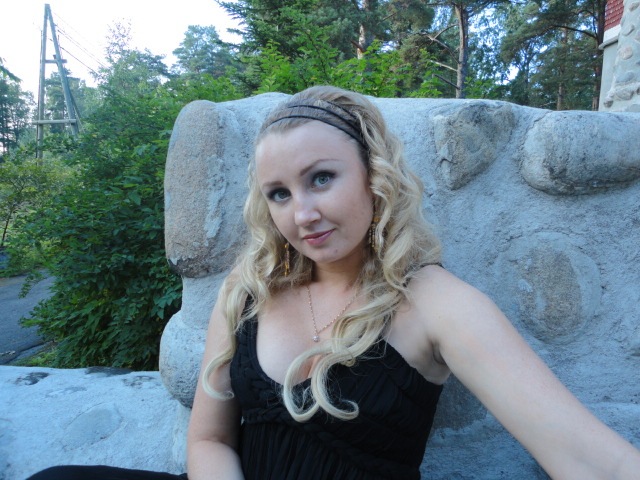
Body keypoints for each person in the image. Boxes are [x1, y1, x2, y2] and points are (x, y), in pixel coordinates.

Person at [30, 86, 640, 480]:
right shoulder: (249, 289)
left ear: (374, 175)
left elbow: (589, 458)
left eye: (321, 178)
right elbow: (211, 440)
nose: (302, 214)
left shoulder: (436, 304)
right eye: (279, 193)